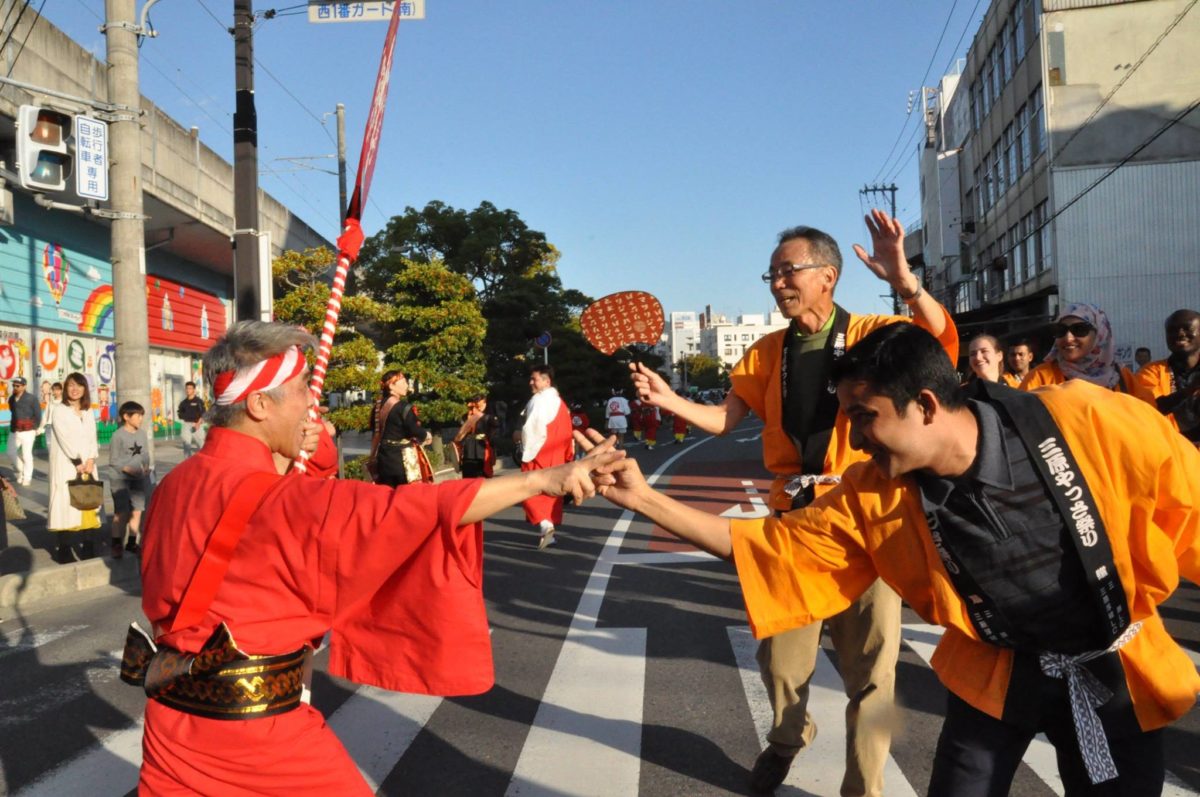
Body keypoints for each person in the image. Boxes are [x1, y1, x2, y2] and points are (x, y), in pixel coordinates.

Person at [595, 322, 1200, 797]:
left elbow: (1193, 509)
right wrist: (644, 497)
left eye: (864, 417)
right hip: (996, 673)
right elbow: (772, 547)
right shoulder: (872, 491)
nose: (854, 438)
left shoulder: (1090, 418)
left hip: (1112, 669)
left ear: (928, 404)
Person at [128, 320, 622, 795]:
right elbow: (420, 510)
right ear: (259, 404)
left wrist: (296, 459)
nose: (312, 405)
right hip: (258, 743)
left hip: (171, 728)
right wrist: (540, 481)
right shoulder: (285, 502)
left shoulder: (175, 484)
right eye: (303, 390)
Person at [630, 210, 958, 796]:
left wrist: (905, 281)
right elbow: (724, 419)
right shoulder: (763, 353)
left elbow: (935, 339)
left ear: (828, 276)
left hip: (868, 518)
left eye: (788, 271)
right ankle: (788, 736)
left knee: (874, 672)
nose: (778, 283)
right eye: (772, 275)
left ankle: (865, 787)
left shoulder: (873, 335)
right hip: (794, 517)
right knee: (780, 662)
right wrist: (669, 399)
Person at [1019, 303, 1152, 402]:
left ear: (1100, 334)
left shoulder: (1121, 377)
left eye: (1080, 329)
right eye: (1060, 330)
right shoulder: (1041, 378)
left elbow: (1147, 418)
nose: (1068, 338)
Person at [519, 364, 574, 549]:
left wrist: (524, 447)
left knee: (528, 489)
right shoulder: (560, 402)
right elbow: (568, 431)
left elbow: (531, 429)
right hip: (557, 455)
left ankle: (545, 525)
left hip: (539, 453)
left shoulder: (539, 400)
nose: (531, 382)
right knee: (551, 493)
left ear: (546, 381)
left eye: (534, 379)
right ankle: (548, 531)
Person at [48, 372, 100, 563]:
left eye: (79, 385)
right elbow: (64, 438)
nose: (75, 389)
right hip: (68, 465)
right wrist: (78, 462)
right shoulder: (60, 410)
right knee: (66, 506)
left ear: (85, 389)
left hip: (87, 464)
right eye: (70, 385)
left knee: (89, 504)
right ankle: (64, 548)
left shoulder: (87, 411)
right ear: (65, 388)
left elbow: (93, 437)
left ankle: (88, 545)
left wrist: (92, 459)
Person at [1134, 308, 1200, 444]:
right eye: (1172, 330)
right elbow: (1148, 410)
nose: (1180, 334)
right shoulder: (1151, 372)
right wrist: (1189, 391)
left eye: (1187, 328)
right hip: (1172, 453)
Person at [367, 369, 433, 487]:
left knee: (388, 494)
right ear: (391, 386)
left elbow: (375, 432)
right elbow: (414, 430)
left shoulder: (377, 407)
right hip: (403, 459)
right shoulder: (403, 407)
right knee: (406, 495)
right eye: (403, 383)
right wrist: (426, 435)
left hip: (384, 458)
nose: (406, 385)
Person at [109, 400, 151, 558]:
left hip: (138, 478)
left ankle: (132, 543)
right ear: (126, 417)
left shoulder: (142, 433)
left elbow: (145, 453)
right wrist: (129, 470)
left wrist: (146, 467)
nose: (140, 419)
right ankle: (116, 543)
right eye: (138, 415)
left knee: (137, 510)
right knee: (121, 513)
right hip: (120, 479)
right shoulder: (117, 436)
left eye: (141, 415)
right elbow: (114, 460)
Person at [452, 395, 500, 478]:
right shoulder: (469, 417)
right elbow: (493, 436)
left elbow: (495, 429)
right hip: (473, 450)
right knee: (474, 478)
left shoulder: (487, 418)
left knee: (476, 478)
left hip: (476, 451)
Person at [8, 376, 41, 486]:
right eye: (13, 385)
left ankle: (27, 477)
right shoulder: (11, 399)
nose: (15, 387)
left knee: (27, 455)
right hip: (14, 430)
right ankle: (21, 469)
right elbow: (12, 411)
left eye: (17, 385)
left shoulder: (32, 398)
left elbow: (38, 415)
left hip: (28, 431)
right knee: (10, 453)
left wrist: (34, 427)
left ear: (24, 386)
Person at [177, 381, 208, 457]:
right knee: (186, 447)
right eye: (187, 388)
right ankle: (188, 465)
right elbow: (180, 413)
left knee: (202, 446)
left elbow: (203, 414)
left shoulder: (198, 401)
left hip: (197, 425)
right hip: (186, 425)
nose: (188, 390)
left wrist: (198, 424)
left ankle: (204, 464)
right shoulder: (183, 403)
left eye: (190, 388)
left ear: (194, 390)